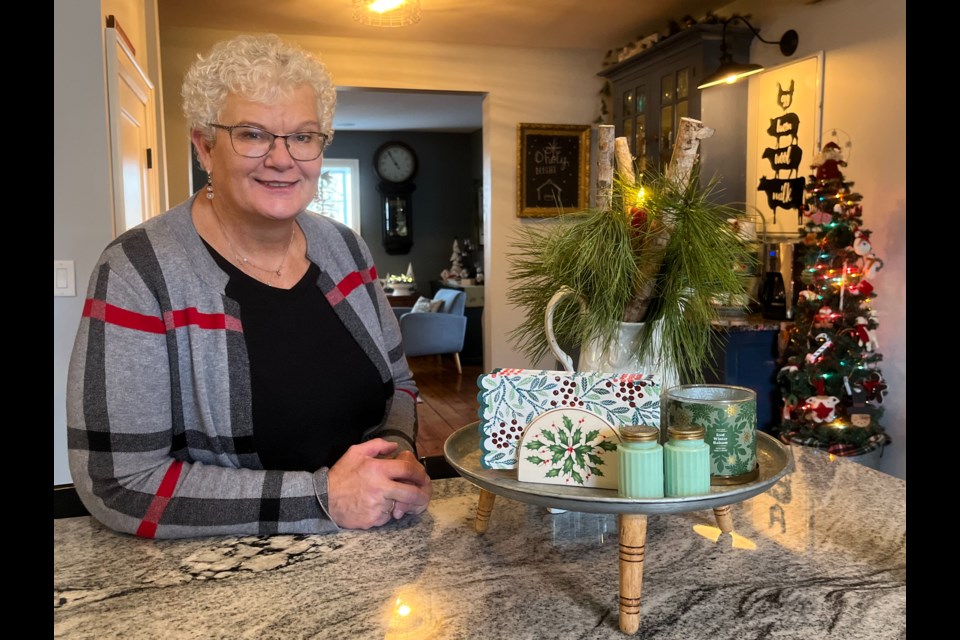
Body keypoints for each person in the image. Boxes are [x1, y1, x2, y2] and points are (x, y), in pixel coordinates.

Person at [66, 34, 432, 538]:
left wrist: (391, 458)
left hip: (371, 556)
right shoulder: (138, 271)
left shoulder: (347, 250)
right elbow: (118, 483)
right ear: (204, 147)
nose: (283, 159)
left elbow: (400, 385)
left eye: (303, 136)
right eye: (253, 134)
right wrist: (324, 498)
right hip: (224, 585)